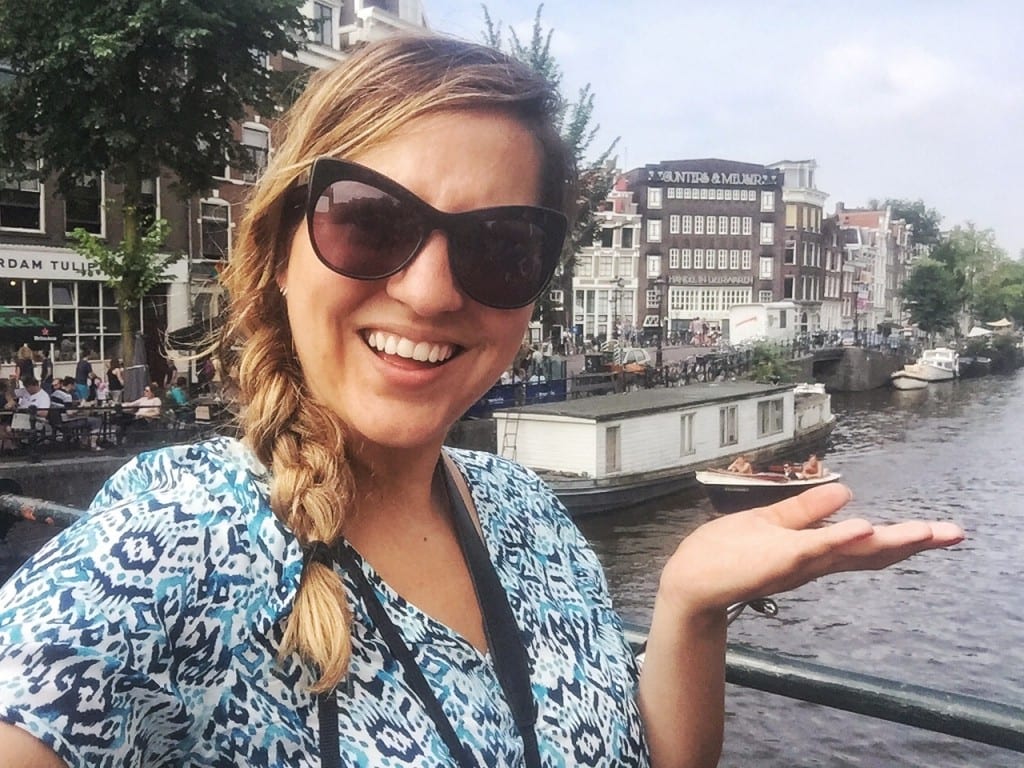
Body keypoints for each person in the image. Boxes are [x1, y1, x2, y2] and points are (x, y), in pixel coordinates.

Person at [0, 34, 964, 768]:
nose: (430, 291)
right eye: (370, 223)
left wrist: (690, 608)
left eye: (500, 245)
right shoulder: (176, 535)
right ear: (277, 253)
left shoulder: (524, 512)